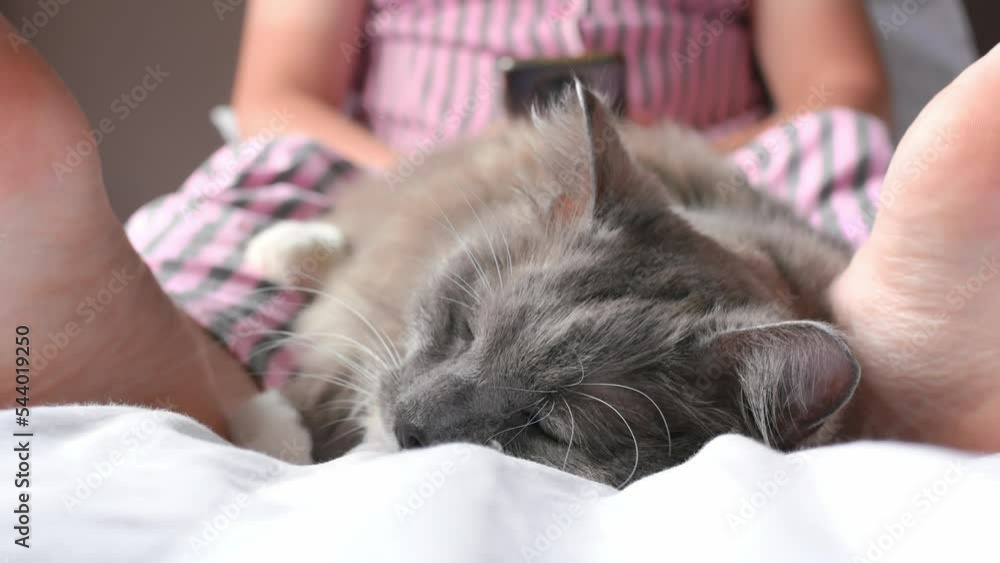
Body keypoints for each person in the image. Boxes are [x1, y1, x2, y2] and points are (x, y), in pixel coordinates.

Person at [2, 5, 997, 451]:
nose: (424, 410)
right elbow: (278, 92)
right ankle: (166, 355)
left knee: (824, 144)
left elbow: (837, 85)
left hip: (689, 160)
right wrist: (411, 185)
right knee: (267, 173)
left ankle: (884, 347)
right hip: (408, 161)